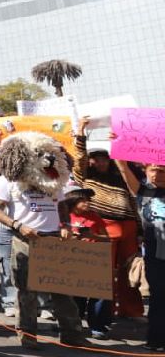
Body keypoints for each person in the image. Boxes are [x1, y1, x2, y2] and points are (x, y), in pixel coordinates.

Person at [0, 141, 91, 350]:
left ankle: (72, 333)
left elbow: (62, 204)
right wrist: (18, 225)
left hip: (53, 239)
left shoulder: (54, 178)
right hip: (25, 239)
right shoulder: (8, 180)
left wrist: (65, 225)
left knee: (62, 290)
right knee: (27, 291)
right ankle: (28, 335)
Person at [73, 119, 144, 319]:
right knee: (101, 274)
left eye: (105, 158)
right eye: (96, 158)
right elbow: (78, 158)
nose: (102, 161)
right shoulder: (85, 177)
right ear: (90, 161)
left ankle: (130, 310)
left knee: (129, 271)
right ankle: (102, 314)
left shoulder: (120, 176)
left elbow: (133, 202)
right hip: (103, 228)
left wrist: (139, 230)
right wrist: (80, 132)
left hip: (128, 227)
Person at [112, 152, 165, 351]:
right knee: (159, 297)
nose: (156, 175)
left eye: (161, 171)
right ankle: (157, 340)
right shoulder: (144, 192)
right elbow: (125, 171)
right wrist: (119, 154)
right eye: (153, 170)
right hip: (156, 255)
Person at [60, 182, 113, 339]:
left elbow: (107, 239)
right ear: (73, 201)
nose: (87, 203)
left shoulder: (95, 217)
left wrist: (93, 236)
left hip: (93, 260)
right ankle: (73, 324)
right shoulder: (64, 216)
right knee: (75, 296)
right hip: (72, 260)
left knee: (98, 295)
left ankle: (97, 326)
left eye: (89, 200)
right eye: (83, 200)